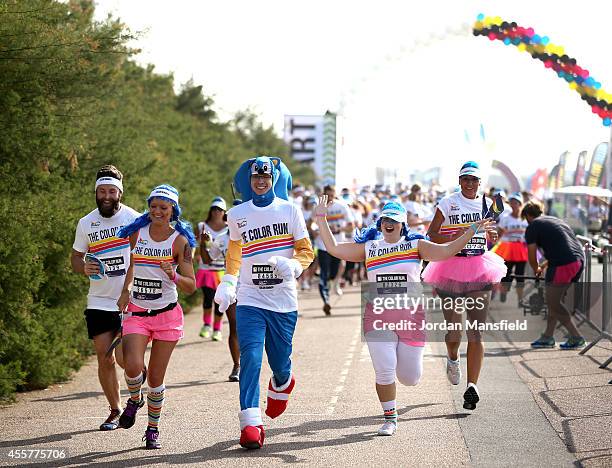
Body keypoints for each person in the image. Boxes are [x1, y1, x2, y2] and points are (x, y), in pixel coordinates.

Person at [314, 198, 492, 435]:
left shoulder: (416, 245)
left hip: (411, 318)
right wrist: (321, 218)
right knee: (385, 370)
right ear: (380, 223)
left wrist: (471, 231)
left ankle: (409, 379)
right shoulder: (370, 248)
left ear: (402, 225)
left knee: (410, 378)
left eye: (394, 220)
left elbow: (448, 250)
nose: (389, 224)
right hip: (377, 318)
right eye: (385, 219)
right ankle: (390, 418)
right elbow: (335, 248)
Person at [214, 156, 314, 449]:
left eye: (265, 177)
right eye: (256, 177)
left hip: (283, 301)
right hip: (250, 298)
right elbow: (234, 252)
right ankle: (251, 424)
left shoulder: (290, 210)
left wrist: (294, 266)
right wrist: (229, 281)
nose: (260, 182)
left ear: (273, 179)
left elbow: (306, 251)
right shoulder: (236, 214)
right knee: (251, 358)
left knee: (280, 363)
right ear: (249, 180)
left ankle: (283, 383)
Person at [116, 184, 197, 449]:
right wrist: (127, 289)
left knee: (156, 379)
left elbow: (190, 285)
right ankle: (134, 399)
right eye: (153, 207)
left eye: (163, 208)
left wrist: (172, 274)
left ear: (173, 209)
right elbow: (132, 265)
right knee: (132, 365)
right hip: (137, 312)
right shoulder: (136, 234)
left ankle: (152, 429)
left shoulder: (180, 241)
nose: (157, 212)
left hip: (167, 316)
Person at [424, 161, 507, 410]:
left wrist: (492, 236)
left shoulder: (487, 205)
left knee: (476, 331)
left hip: (479, 266)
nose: (470, 183)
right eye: (465, 179)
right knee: (454, 331)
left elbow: (493, 234)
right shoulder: (449, 202)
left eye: (474, 179)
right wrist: (456, 236)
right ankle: (452, 358)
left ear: (480, 182)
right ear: (459, 181)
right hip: (450, 266)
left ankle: (472, 386)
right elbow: (432, 234)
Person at [71, 165, 140, 431]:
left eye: (112, 190)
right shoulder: (86, 223)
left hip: (128, 298)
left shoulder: (134, 218)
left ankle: (136, 395)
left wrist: (129, 288)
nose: (107, 196)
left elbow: (143, 255)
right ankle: (115, 410)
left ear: (120, 193)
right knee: (104, 358)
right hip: (98, 300)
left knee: (124, 359)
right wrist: (83, 266)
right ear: (96, 193)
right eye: (102, 191)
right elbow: (76, 258)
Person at [521, 201, 586, 349]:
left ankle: (576, 337)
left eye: (525, 218)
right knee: (554, 301)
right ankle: (547, 336)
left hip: (563, 263)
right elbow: (562, 245)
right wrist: (543, 266)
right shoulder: (555, 220)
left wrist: (536, 268)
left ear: (528, 216)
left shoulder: (533, 226)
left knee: (554, 303)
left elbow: (532, 254)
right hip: (578, 261)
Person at [206, 199, 243, 382]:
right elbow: (208, 259)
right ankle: (237, 365)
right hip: (231, 286)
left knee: (253, 328)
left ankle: (252, 363)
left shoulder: (253, 235)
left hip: (255, 287)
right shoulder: (221, 239)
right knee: (235, 325)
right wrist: (204, 243)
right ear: (228, 218)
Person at [313, 185, 354, 314]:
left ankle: (335, 283)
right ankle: (326, 301)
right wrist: (314, 230)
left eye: (332, 195)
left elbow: (351, 227)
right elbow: (311, 224)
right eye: (328, 195)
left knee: (334, 272)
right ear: (323, 194)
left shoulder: (342, 206)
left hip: (338, 245)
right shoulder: (318, 207)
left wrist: (339, 229)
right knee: (324, 274)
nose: (330, 198)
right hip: (323, 246)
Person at [195, 196, 228, 341]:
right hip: (206, 268)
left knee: (219, 300)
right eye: (214, 209)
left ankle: (217, 329)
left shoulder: (229, 228)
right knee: (208, 298)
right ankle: (207, 325)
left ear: (224, 212)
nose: (216, 212)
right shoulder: (202, 225)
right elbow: (195, 243)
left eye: (219, 209)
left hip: (221, 269)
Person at [493, 192, 528, 305]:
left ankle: (520, 299)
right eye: (511, 202)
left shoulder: (525, 219)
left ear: (520, 204)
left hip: (521, 249)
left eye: (516, 202)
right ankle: (504, 292)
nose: (513, 204)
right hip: (507, 249)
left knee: (520, 275)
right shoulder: (506, 218)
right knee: (506, 274)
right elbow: (499, 234)